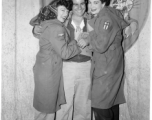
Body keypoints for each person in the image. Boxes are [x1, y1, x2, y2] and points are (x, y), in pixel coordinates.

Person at [79, 0, 138, 119]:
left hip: (105, 65)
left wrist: (87, 40)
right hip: (113, 64)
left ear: (103, 3)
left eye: (95, 2)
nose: (91, 6)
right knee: (111, 103)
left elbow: (100, 45)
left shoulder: (105, 17)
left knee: (100, 105)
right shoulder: (111, 13)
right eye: (90, 3)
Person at [29, 0, 86, 119]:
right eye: (62, 10)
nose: (65, 13)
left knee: (47, 106)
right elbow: (64, 53)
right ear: (54, 10)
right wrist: (75, 40)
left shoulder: (55, 23)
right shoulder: (57, 25)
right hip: (51, 70)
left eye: (67, 10)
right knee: (47, 107)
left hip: (49, 68)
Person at [56, 0, 92, 120]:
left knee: (84, 105)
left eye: (82, 3)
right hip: (67, 67)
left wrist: (132, 22)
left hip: (86, 66)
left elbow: (117, 19)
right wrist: (36, 29)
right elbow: (40, 23)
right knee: (65, 105)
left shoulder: (92, 20)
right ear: (71, 6)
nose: (79, 7)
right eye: (76, 4)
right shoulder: (63, 20)